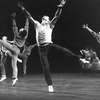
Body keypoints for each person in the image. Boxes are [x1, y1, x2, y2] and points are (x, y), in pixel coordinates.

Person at [17, 0, 80, 92]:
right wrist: (23, 9)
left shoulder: (50, 25)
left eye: (46, 19)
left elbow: (56, 16)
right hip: (42, 49)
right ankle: (50, 85)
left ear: (48, 20)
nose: (44, 20)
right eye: (43, 19)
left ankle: (78, 57)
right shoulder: (37, 24)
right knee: (46, 66)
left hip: (49, 45)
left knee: (62, 49)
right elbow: (29, 16)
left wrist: (61, 6)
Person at [0, 12, 29, 86]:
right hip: (17, 50)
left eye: (20, 29)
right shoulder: (25, 36)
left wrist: (13, 18)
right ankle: (15, 78)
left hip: (13, 48)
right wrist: (27, 18)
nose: (21, 28)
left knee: (1, 41)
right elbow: (27, 26)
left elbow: (14, 25)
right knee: (14, 65)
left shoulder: (17, 35)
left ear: (19, 32)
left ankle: (2, 51)